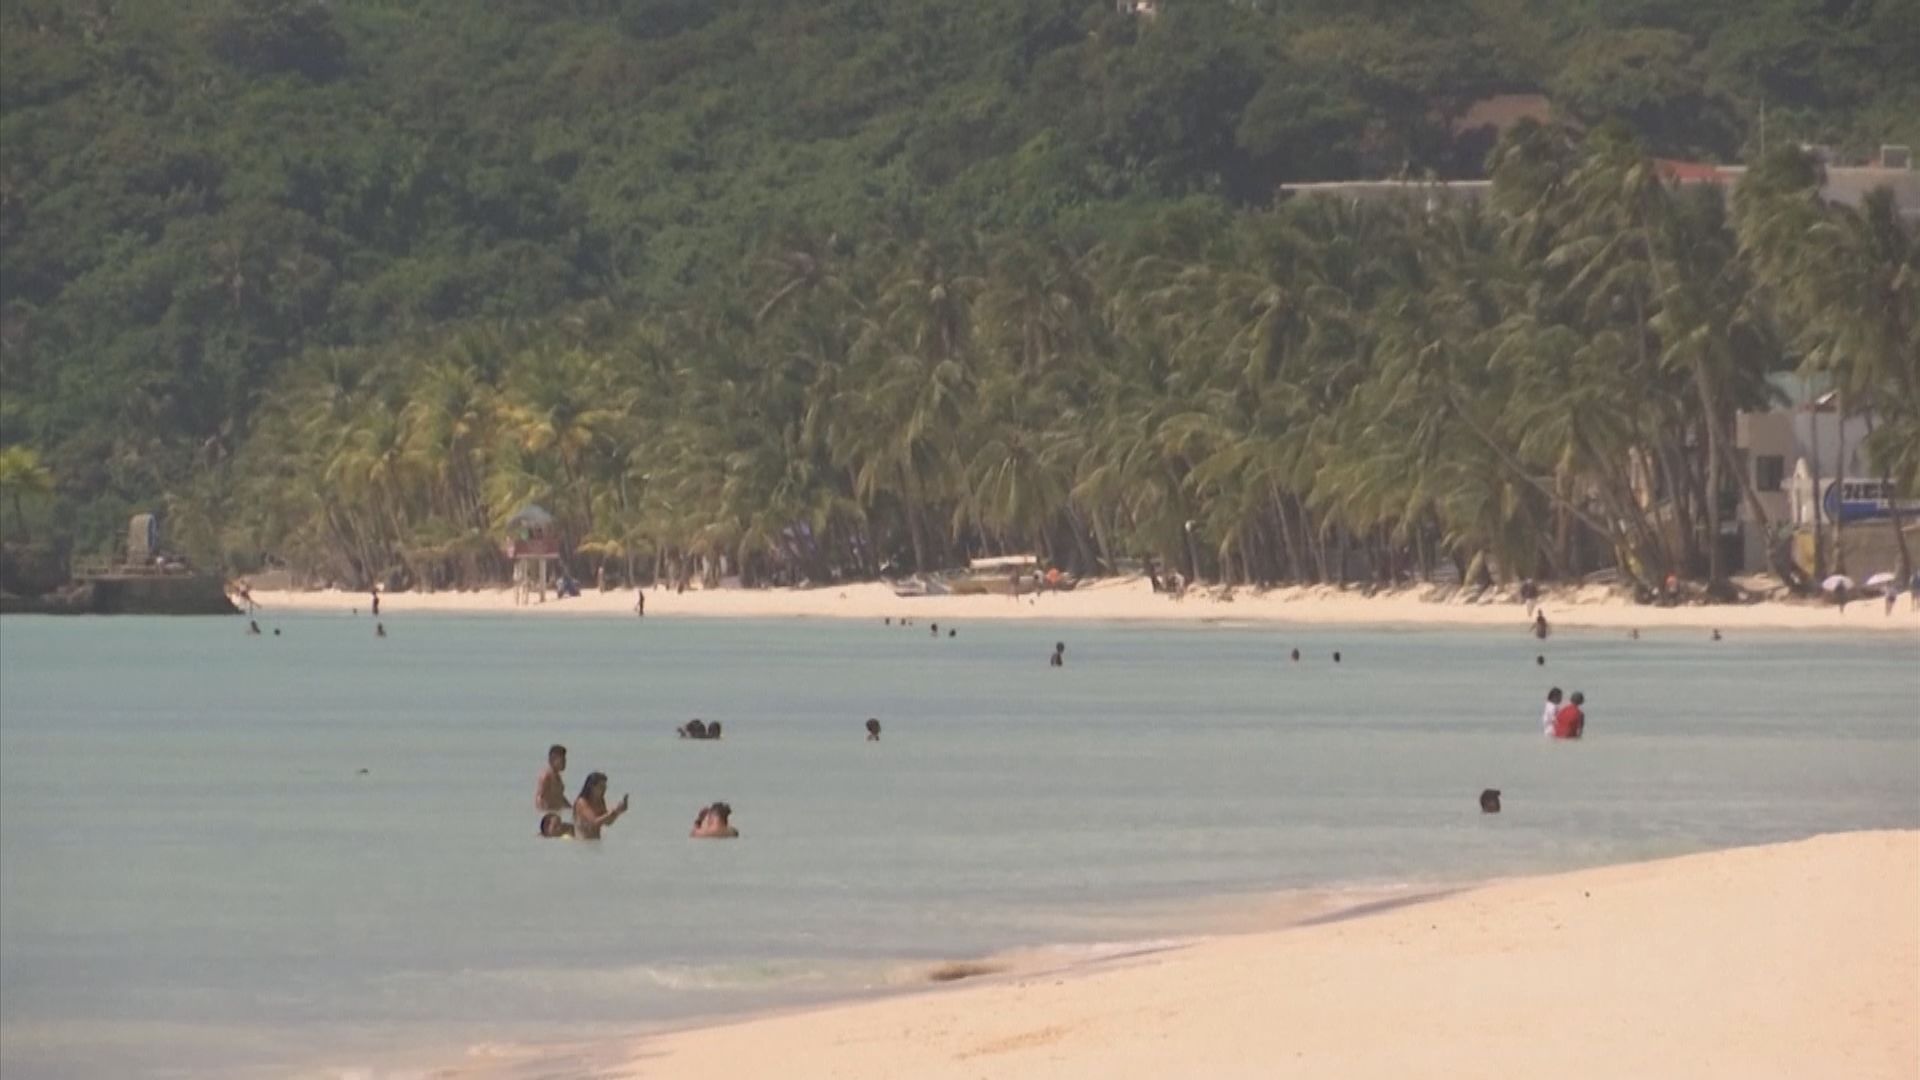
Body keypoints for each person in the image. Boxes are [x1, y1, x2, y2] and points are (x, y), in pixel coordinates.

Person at [572, 772, 629, 839]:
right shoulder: (582, 802)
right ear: (592, 787)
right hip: (583, 842)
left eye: (605, 787)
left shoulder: (600, 801)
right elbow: (593, 823)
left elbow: (608, 822)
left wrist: (618, 812)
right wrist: (613, 811)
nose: (604, 789)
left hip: (595, 841)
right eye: (601, 787)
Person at [535, 745, 569, 811]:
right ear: (552, 759)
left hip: (556, 812)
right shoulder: (546, 776)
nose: (565, 763)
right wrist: (542, 814)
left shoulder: (557, 776)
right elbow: (539, 797)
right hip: (548, 813)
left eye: (565, 760)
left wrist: (570, 809)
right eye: (562, 760)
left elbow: (560, 797)